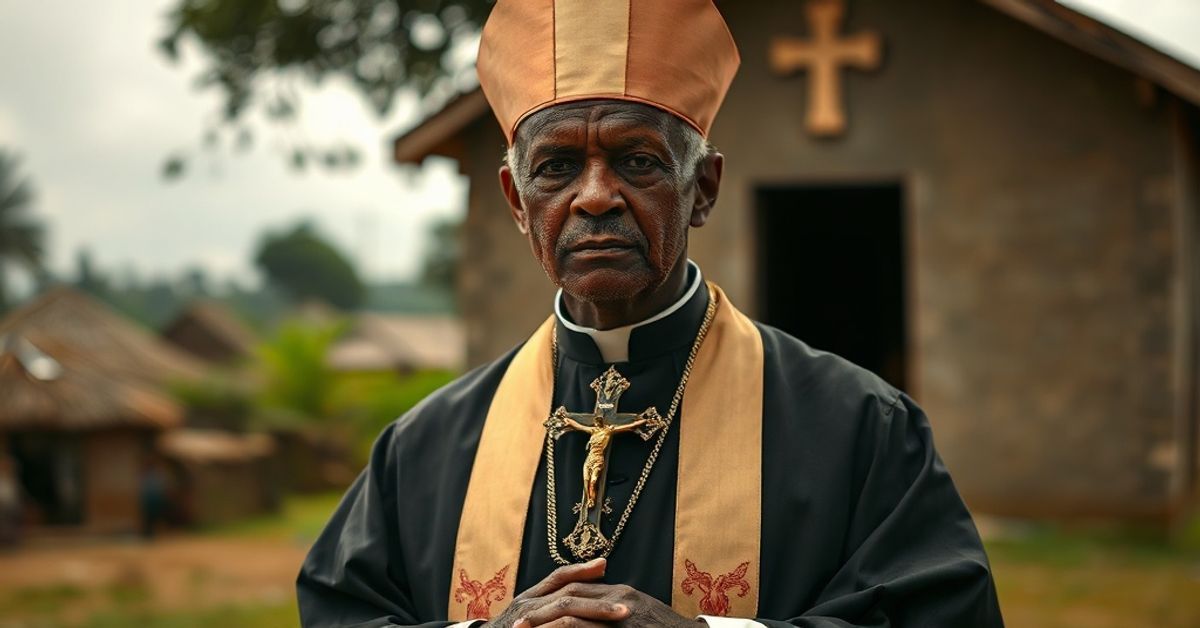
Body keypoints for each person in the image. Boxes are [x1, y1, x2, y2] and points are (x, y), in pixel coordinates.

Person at [298, 1, 1004, 626]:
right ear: (517, 202)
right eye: (558, 167)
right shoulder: (424, 449)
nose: (595, 196)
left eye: (636, 161)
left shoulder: (859, 427)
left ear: (702, 188)